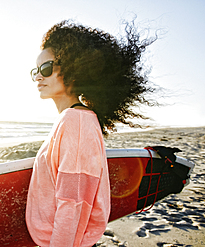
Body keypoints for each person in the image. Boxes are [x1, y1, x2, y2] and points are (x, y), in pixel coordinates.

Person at [25, 20, 156, 247]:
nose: (38, 77)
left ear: (74, 69)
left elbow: (74, 202)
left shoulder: (76, 121)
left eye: (45, 69)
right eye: (34, 71)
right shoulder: (75, 118)